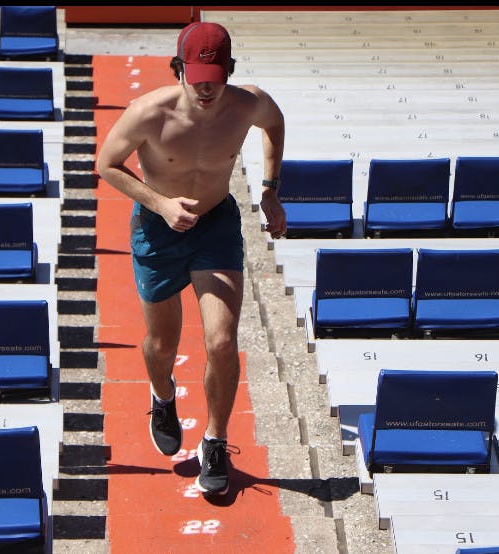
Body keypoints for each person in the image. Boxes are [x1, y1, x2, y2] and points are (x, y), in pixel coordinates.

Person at [96, 21, 286, 497]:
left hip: (215, 225)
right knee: (162, 344)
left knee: (221, 341)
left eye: (214, 75)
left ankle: (215, 441)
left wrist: (270, 189)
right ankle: (162, 397)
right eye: (196, 74)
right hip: (157, 229)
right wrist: (159, 203)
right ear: (178, 68)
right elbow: (105, 165)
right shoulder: (148, 112)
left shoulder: (248, 102)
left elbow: (274, 124)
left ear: (230, 71)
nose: (205, 86)